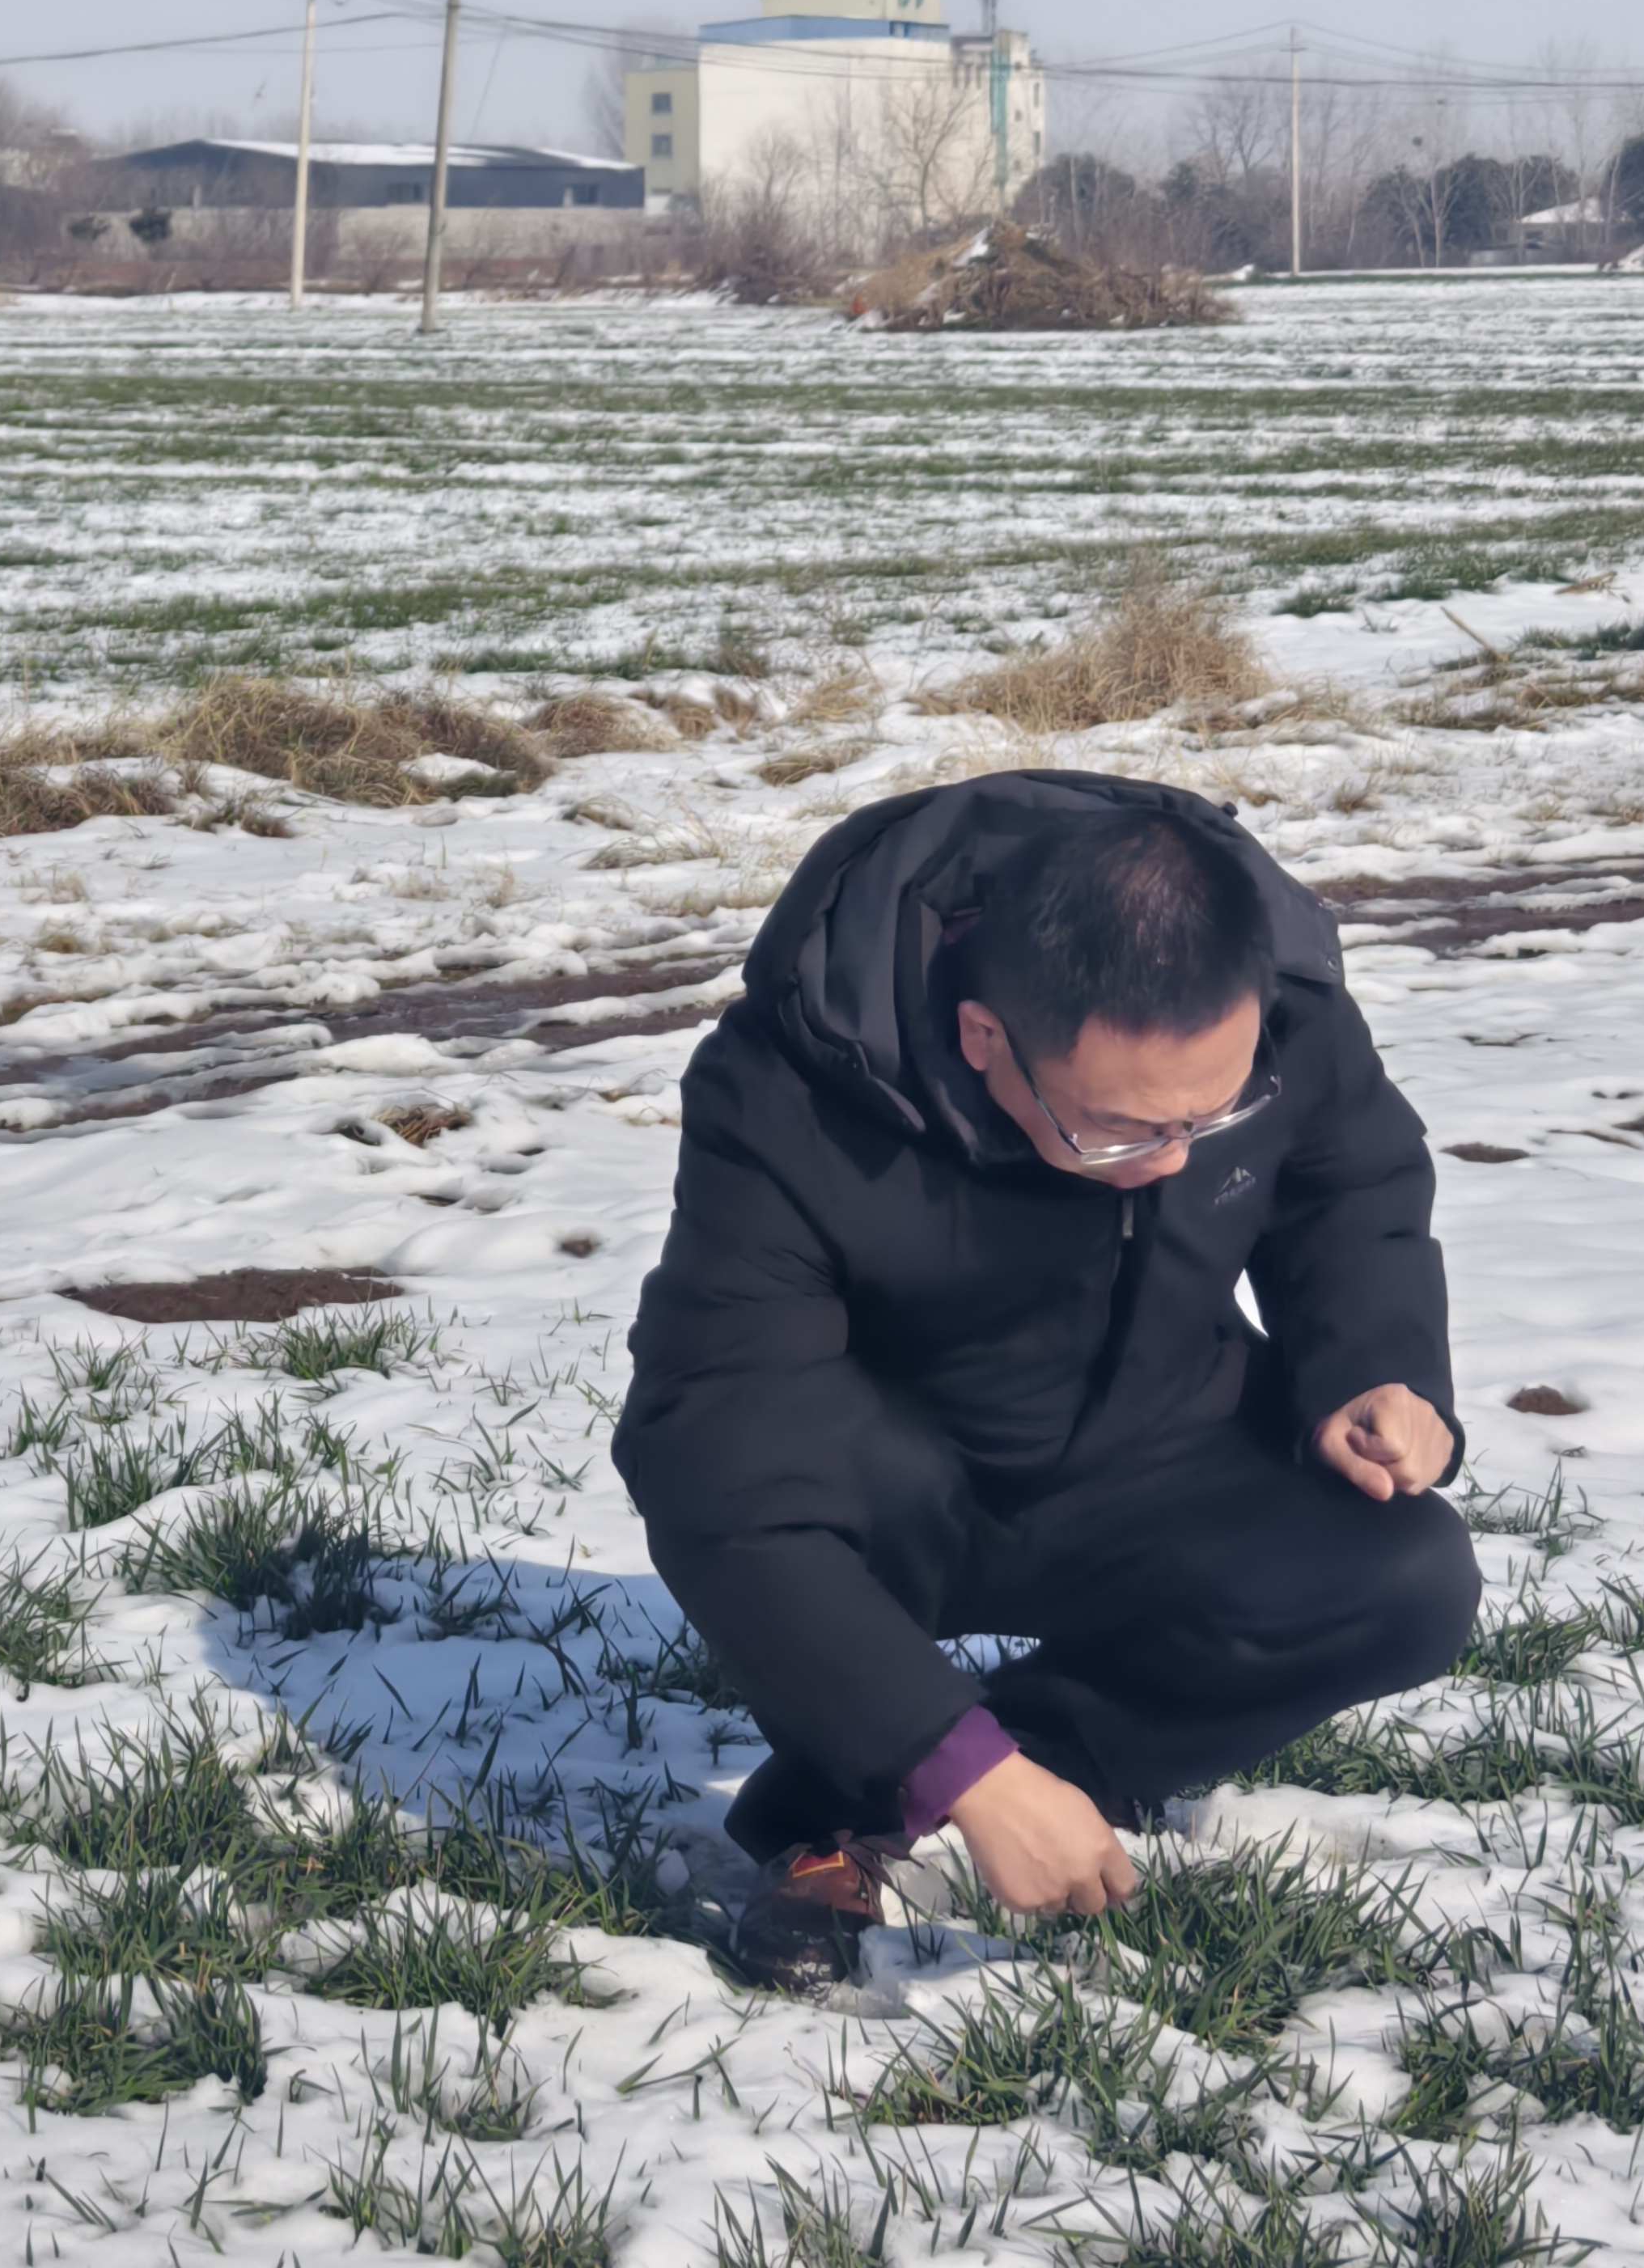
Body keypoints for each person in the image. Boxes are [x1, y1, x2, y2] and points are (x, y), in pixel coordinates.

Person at [613, 771, 1480, 1987]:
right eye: (1114, 1129)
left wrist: (1373, 1371)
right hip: (902, 1487)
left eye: (1210, 1119)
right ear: (984, 1038)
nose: (1169, 1161)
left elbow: (1351, 1183)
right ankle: (861, 1814)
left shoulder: (1275, 1003)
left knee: (1409, 1576)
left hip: (1155, 1443)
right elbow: (707, 1457)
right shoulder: (788, 1088)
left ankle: (1012, 1774)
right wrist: (955, 1764)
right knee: (764, 1480)